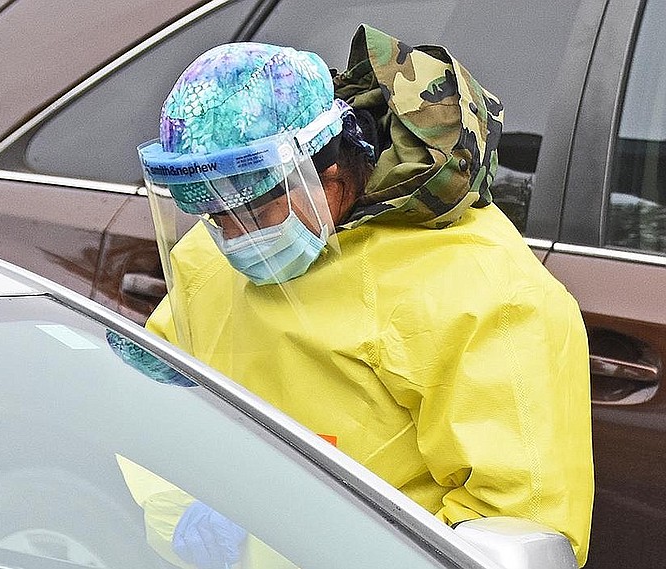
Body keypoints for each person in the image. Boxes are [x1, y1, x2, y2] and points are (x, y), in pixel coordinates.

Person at [137, 24, 594, 568]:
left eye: (255, 214)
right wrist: (179, 514)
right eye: (215, 217)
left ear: (327, 172)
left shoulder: (487, 296)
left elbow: (518, 528)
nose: (235, 239)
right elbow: (151, 404)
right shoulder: (206, 260)